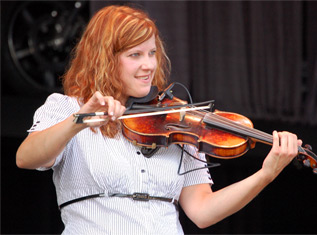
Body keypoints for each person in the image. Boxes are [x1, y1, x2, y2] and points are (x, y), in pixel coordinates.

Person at [16, 5, 302, 235]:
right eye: (135, 55)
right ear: (104, 59)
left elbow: (202, 211)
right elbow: (26, 157)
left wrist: (266, 174)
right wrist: (78, 121)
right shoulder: (66, 108)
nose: (149, 64)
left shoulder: (175, 121)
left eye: (152, 53)